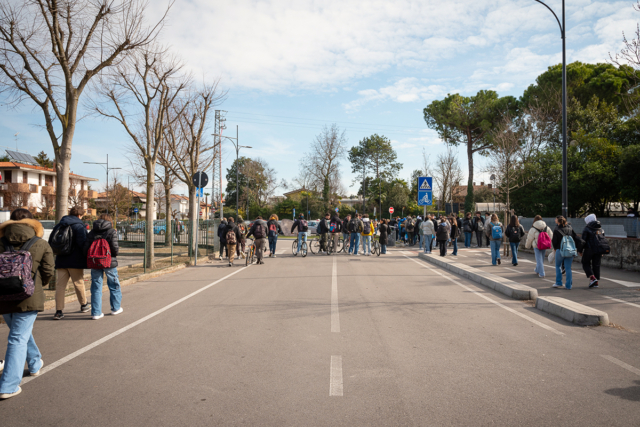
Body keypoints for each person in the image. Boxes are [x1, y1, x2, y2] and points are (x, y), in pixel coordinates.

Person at [0, 209, 54, 400]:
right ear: (32, 221)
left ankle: (34, 363)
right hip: (28, 297)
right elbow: (48, 271)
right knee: (17, 337)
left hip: (3, 296)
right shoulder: (40, 243)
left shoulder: (0, 241)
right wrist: (36, 286)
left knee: (19, 332)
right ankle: (8, 385)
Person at [52, 206, 90, 320]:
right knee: (78, 283)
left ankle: (58, 311)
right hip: (75, 260)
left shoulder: (59, 225)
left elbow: (52, 240)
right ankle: (84, 305)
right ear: (79, 215)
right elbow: (83, 243)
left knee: (60, 286)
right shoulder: (79, 226)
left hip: (61, 259)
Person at [83, 214, 122, 320]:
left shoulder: (92, 232)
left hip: (95, 262)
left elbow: (85, 248)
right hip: (109, 262)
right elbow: (115, 249)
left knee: (96, 286)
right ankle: (115, 308)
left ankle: (96, 312)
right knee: (114, 284)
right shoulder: (111, 231)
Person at [552, 215, 582, 290]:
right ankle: (568, 285)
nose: (555, 220)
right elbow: (575, 237)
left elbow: (554, 241)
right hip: (570, 250)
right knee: (568, 268)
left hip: (560, 250)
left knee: (558, 266)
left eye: (555, 219)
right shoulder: (570, 228)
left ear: (558, 221)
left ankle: (558, 282)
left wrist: (555, 248)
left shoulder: (556, 229)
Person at [581, 213, 606, 288]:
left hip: (589, 249)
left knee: (585, 262)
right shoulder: (601, 229)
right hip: (598, 249)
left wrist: (579, 250)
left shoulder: (587, 229)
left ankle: (592, 278)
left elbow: (583, 241)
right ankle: (596, 282)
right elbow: (603, 240)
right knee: (596, 264)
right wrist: (602, 251)